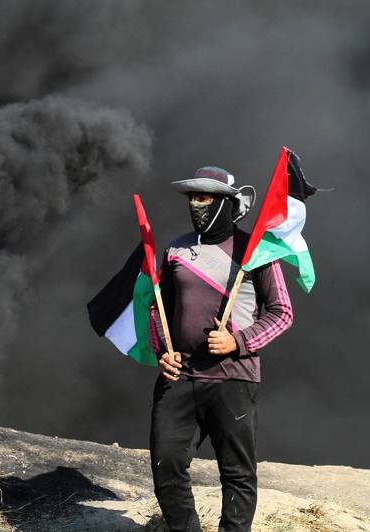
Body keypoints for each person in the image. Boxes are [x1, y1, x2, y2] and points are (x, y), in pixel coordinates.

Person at [149, 166, 293, 531]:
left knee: (237, 472)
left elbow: (282, 312)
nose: (196, 205)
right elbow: (158, 307)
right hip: (180, 375)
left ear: (228, 203)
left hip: (233, 378)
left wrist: (237, 341)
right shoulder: (176, 250)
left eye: (205, 198)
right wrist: (162, 350)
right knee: (166, 463)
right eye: (192, 198)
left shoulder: (256, 252)